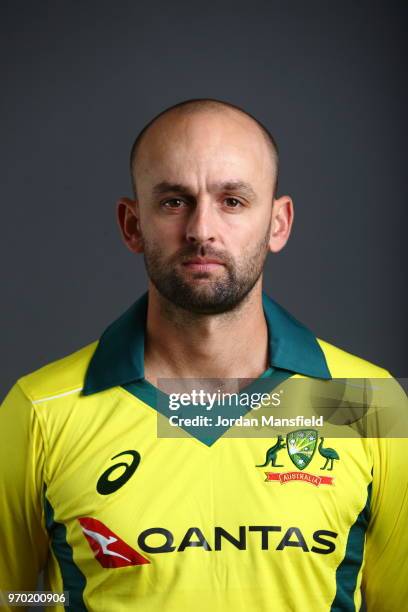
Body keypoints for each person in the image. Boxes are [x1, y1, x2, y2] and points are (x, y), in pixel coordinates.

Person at [0, 98, 407, 612]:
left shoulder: (368, 405)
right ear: (132, 224)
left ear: (278, 223)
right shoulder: (41, 410)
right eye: (174, 201)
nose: (201, 231)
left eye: (232, 201)